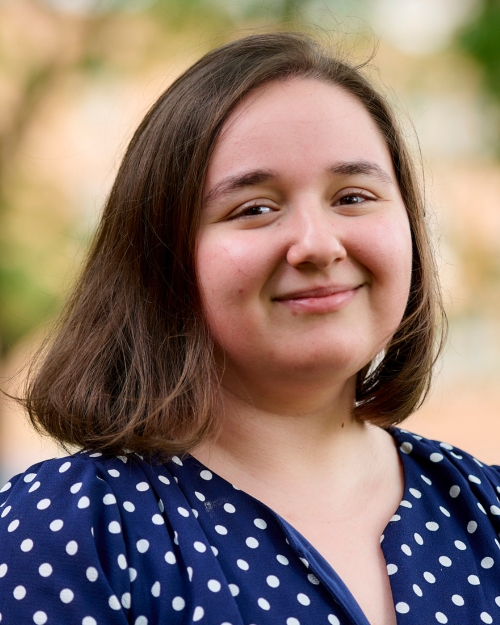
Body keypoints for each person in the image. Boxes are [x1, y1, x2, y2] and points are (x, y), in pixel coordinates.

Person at [0, 31, 499, 625]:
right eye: (254, 208)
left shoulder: (485, 509)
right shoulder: (70, 531)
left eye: (354, 196)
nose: (317, 244)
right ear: (163, 258)